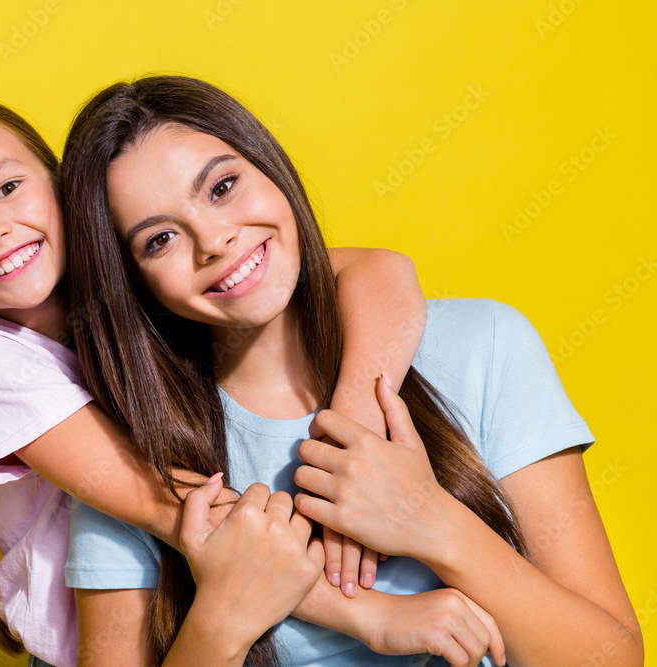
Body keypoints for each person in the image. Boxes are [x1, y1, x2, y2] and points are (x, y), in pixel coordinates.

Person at [60, 75, 644, 666]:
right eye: (159, 239)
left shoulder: (483, 345)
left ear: (271, 167)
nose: (213, 240)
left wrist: (434, 523)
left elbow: (612, 658)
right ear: (132, 281)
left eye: (223, 186)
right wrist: (222, 618)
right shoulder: (135, 463)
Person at [0, 96, 431, 666]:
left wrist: (356, 438)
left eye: (7, 188)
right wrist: (373, 615)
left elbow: (377, 269)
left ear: (67, 190)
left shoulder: (145, 269)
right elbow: (180, 510)